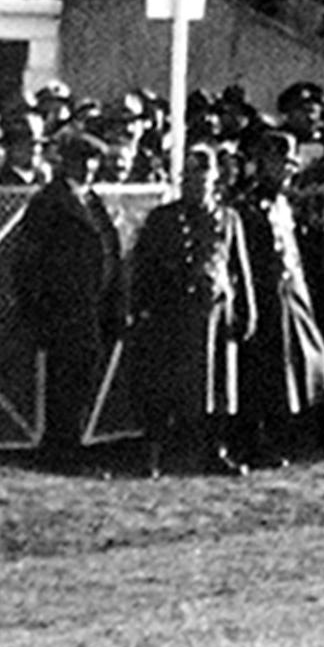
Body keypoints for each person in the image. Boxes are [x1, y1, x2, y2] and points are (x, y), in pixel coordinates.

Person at [235, 127, 324, 465]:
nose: (286, 171)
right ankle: (256, 440)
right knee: (263, 370)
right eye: (279, 164)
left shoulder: (282, 203)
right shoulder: (248, 206)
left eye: (290, 165)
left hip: (292, 291)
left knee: (314, 359)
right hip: (264, 294)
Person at [127, 143, 256, 477]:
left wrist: (247, 310)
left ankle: (215, 451)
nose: (196, 184)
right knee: (166, 387)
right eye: (189, 177)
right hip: (174, 314)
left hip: (216, 313)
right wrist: (141, 308)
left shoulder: (228, 218)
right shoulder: (164, 219)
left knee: (219, 388)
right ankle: (152, 456)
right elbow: (145, 266)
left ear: (215, 179)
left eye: (203, 176)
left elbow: (239, 269)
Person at [4, 130, 127, 462]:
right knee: (63, 377)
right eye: (80, 162)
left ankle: (76, 439)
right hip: (62, 306)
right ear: (66, 163)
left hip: (93, 304)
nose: (87, 168)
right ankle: (61, 445)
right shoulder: (48, 203)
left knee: (86, 371)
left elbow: (110, 251)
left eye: (92, 162)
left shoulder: (93, 201)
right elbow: (29, 261)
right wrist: (37, 307)